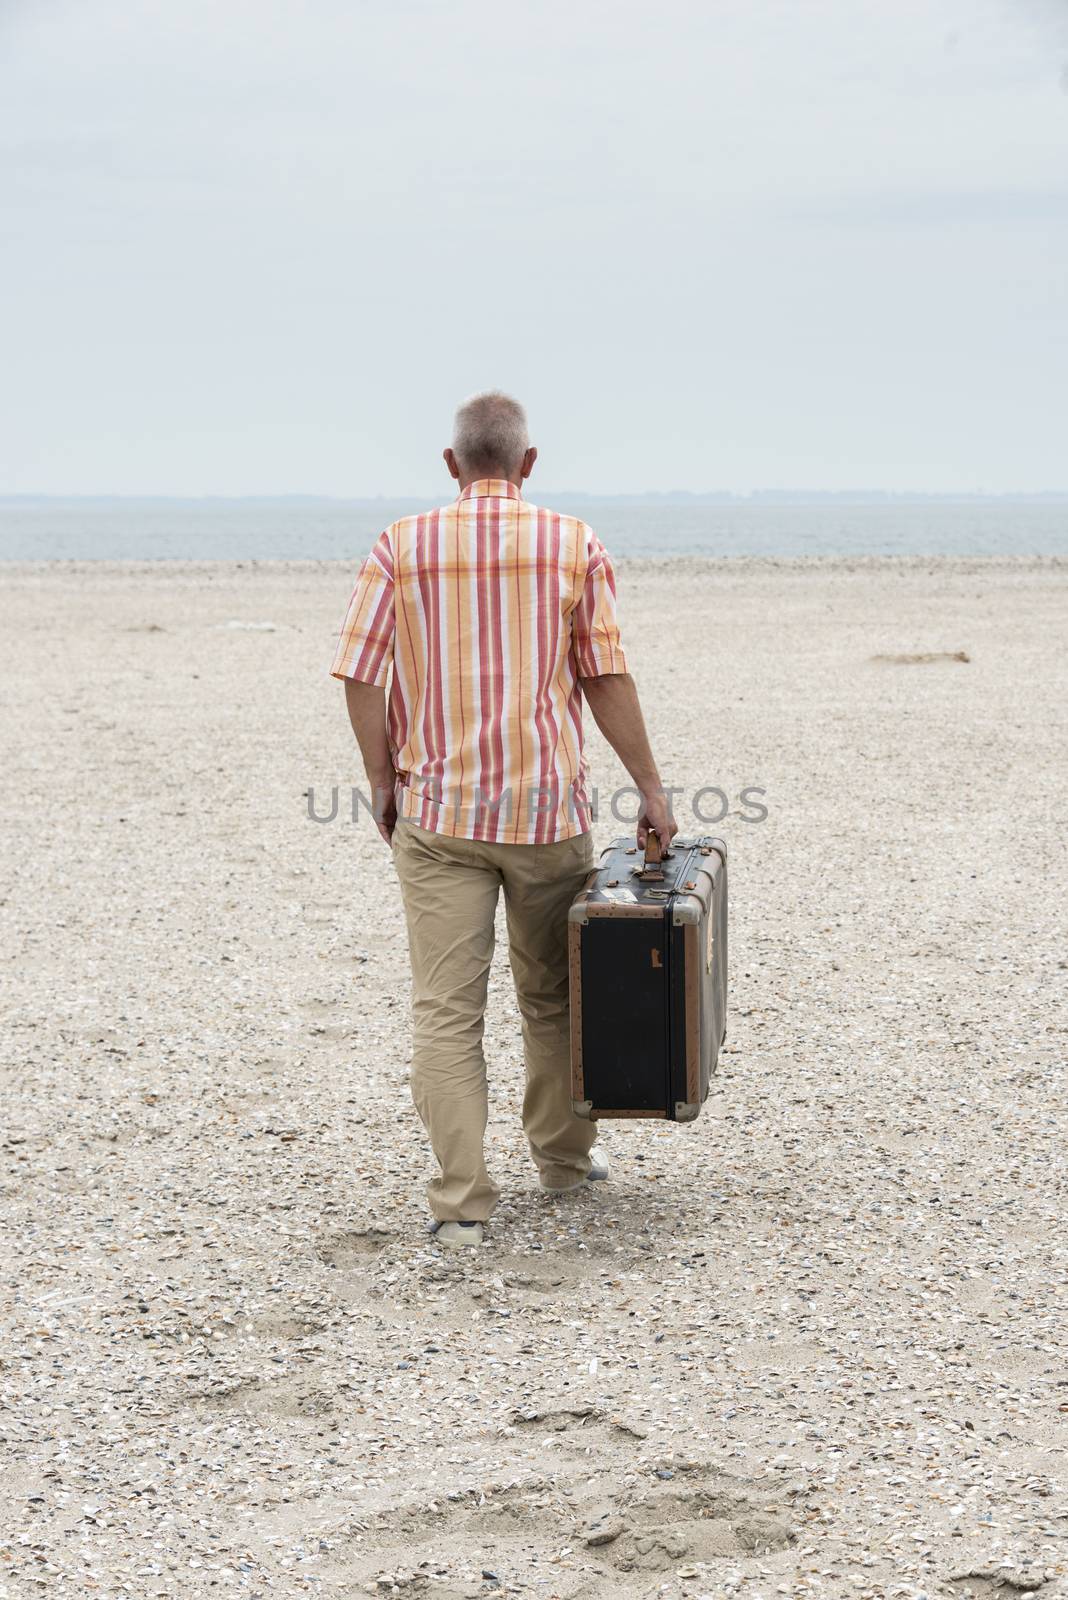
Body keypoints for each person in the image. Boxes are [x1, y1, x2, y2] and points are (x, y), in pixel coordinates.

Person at [331, 392, 676, 1247]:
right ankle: (562, 1162)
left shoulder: (401, 546)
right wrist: (653, 789)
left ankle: (460, 1203)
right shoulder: (572, 543)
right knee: (554, 997)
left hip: (438, 813)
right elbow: (603, 675)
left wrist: (381, 779)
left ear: (453, 465)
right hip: (544, 812)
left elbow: (359, 672)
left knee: (445, 1010)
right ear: (528, 463)